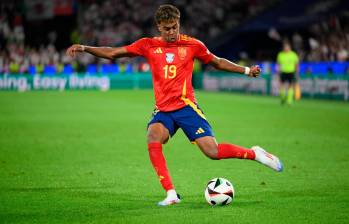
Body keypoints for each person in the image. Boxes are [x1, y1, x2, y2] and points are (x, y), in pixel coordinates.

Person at [67, 4, 283, 206]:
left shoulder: (192, 45)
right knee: (153, 137)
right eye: (167, 28)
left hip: (187, 107)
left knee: (213, 152)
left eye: (175, 27)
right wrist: (85, 47)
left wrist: (246, 70)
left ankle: (256, 154)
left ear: (179, 23)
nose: (172, 32)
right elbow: (113, 53)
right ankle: (171, 193)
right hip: (163, 111)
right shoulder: (148, 45)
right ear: (158, 27)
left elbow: (217, 61)